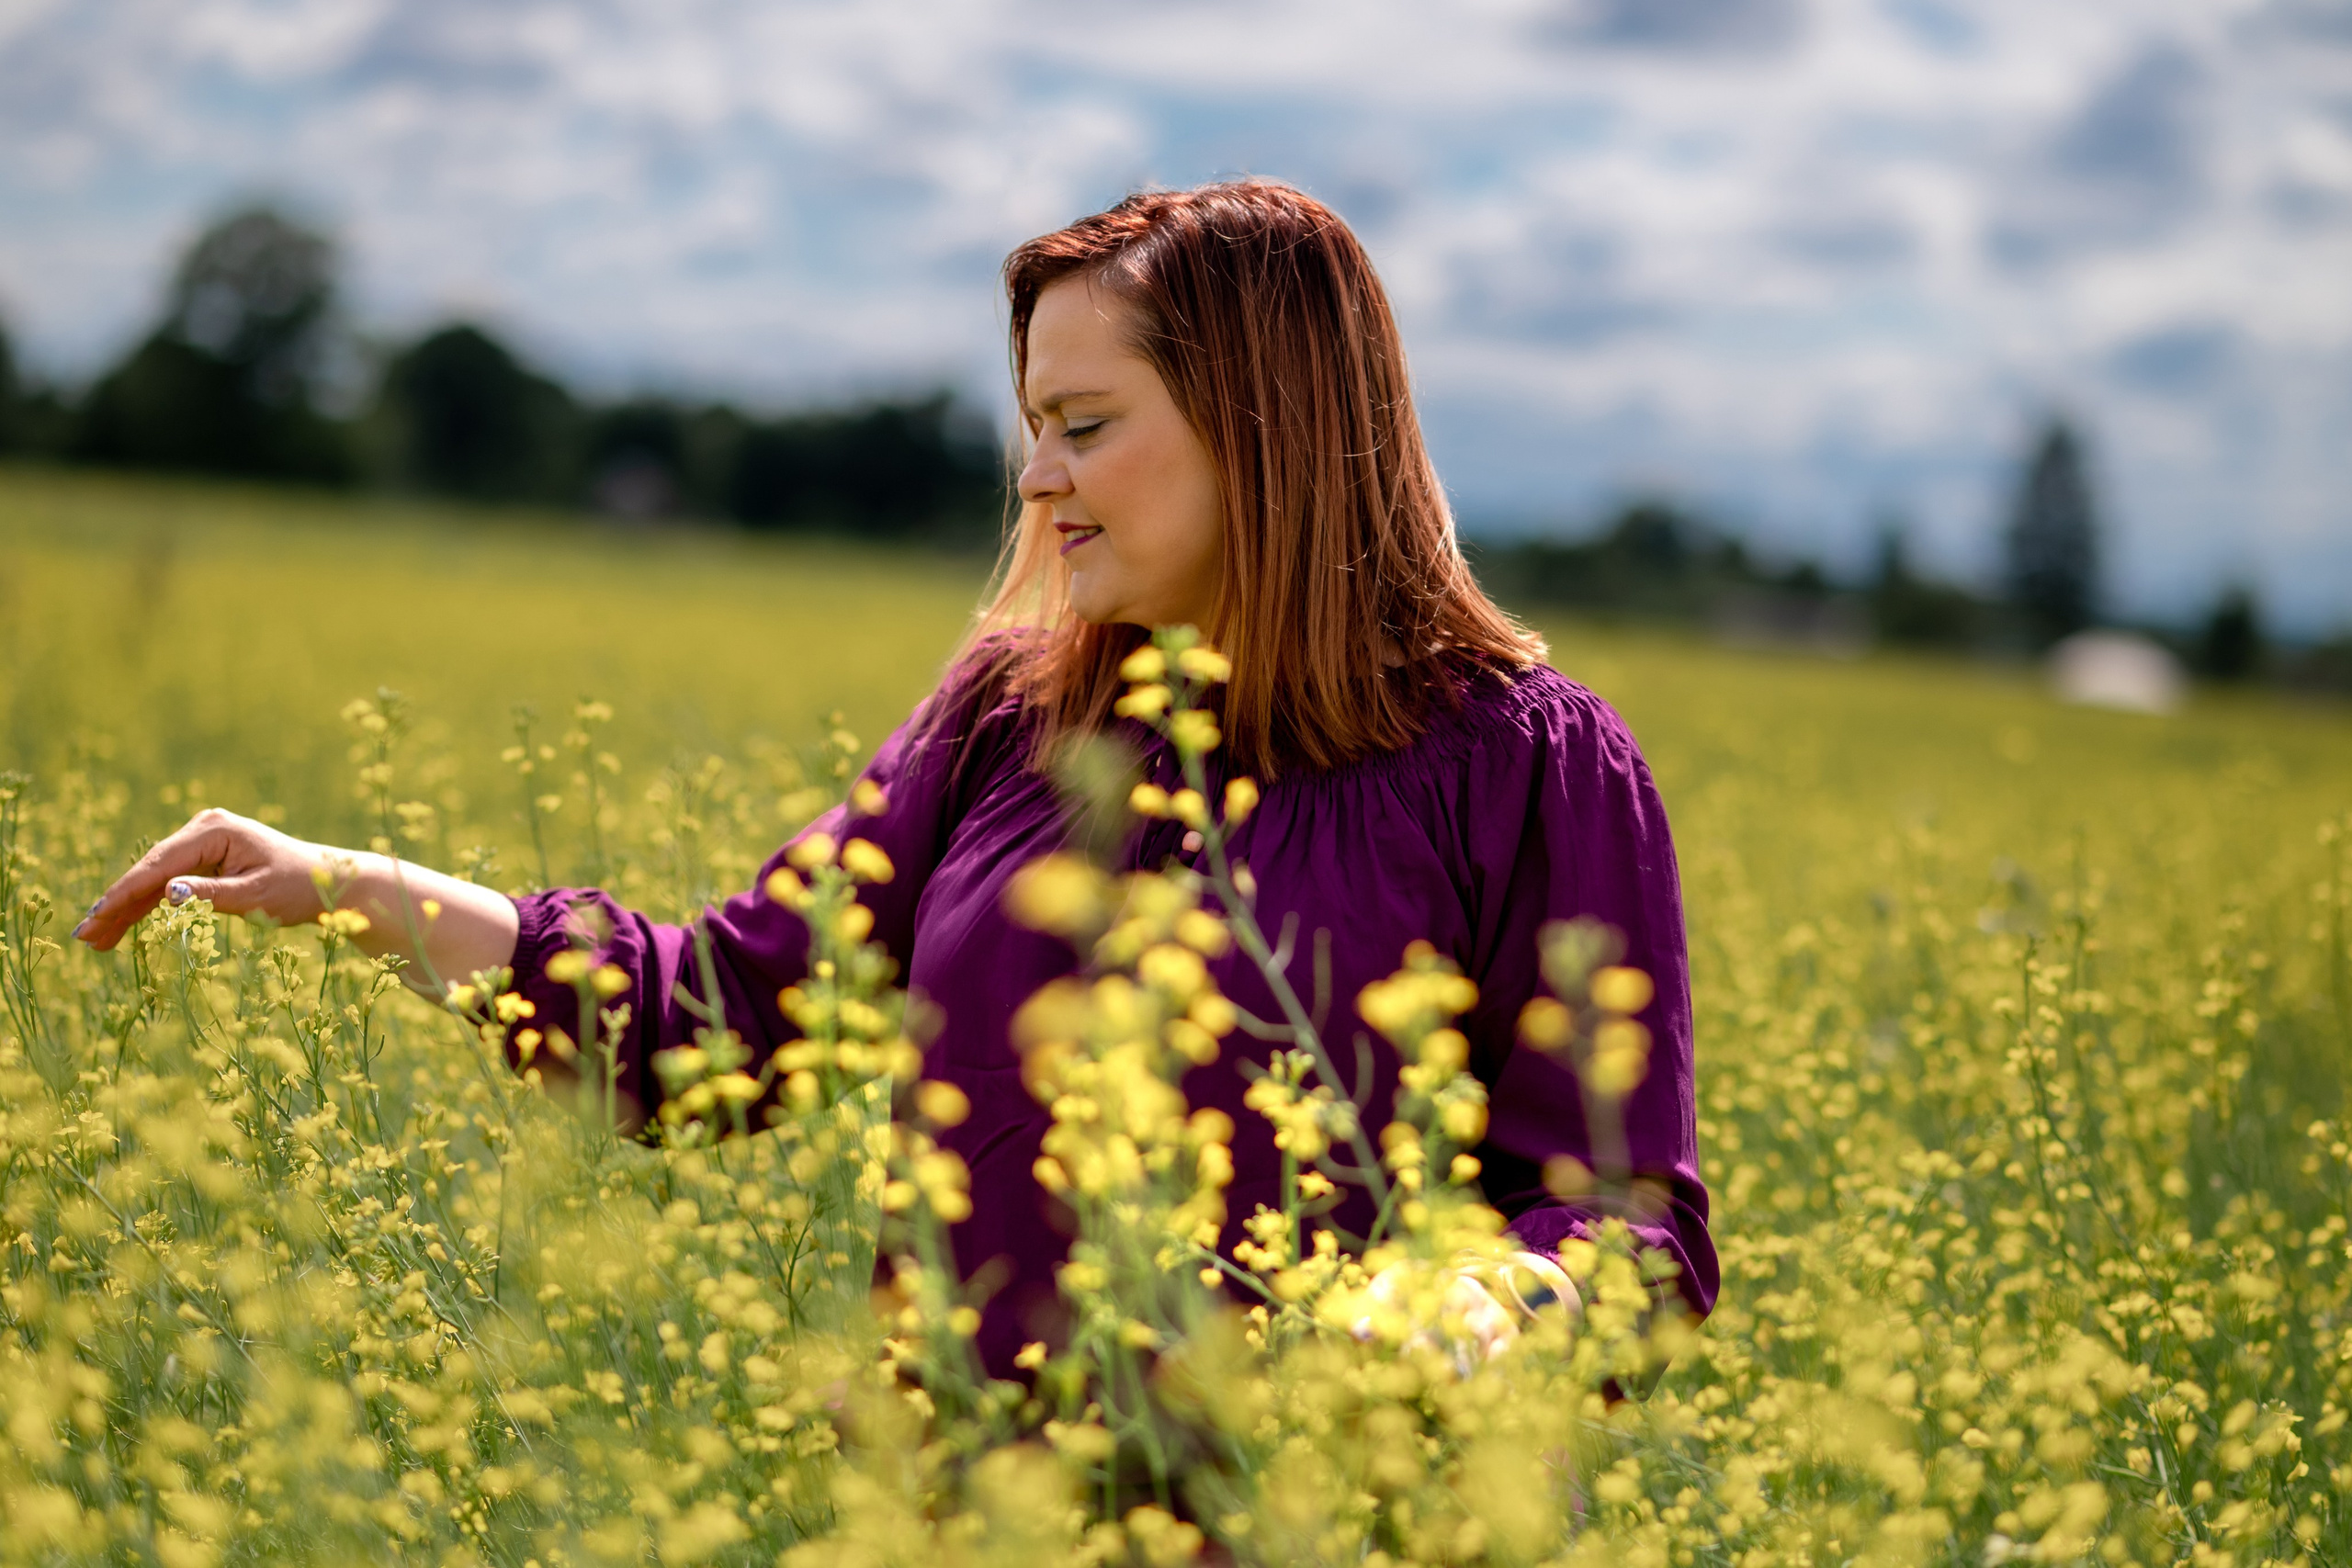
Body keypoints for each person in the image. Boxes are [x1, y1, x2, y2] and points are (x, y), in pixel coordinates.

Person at [76, 180, 1715, 1375]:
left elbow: (1630, 1222)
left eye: (1085, 422)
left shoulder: (1526, 765)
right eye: (1030, 423)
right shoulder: (1013, 717)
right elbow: (717, 1019)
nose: (1037, 476)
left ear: (1264, 426)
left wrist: (1488, 1303)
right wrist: (350, 890)